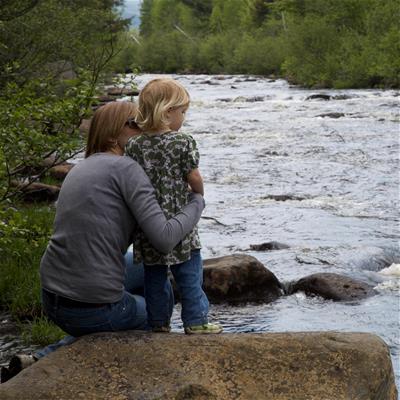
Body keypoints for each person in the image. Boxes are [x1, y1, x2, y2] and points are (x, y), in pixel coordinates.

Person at [125, 78, 222, 334]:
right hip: (181, 222)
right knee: (189, 274)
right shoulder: (183, 142)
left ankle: (158, 323)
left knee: (154, 279)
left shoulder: (135, 145)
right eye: (182, 112)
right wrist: (199, 195)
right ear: (168, 112)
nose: (184, 117)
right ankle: (196, 321)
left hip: (148, 223)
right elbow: (193, 176)